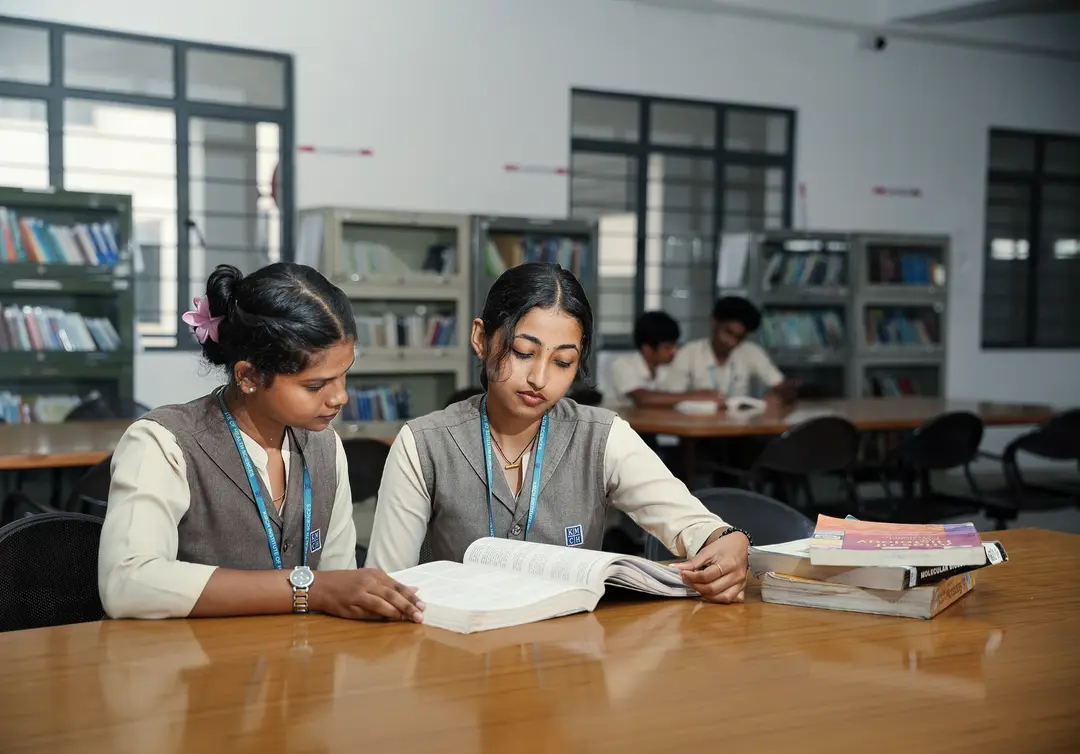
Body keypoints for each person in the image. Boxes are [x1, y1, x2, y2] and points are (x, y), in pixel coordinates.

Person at [366, 263, 750, 603]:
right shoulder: (424, 444)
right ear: (481, 339)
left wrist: (728, 539)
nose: (539, 378)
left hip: (570, 661)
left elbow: (696, 526)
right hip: (455, 658)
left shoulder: (602, 436)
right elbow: (385, 586)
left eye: (563, 361)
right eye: (522, 351)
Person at [98, 262, 424, 623]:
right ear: (249, 376)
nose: (340, 398)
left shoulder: (325, 449)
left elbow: (339, 583)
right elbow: (127, 582)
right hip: (193, 668)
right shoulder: (164, 443)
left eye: (344, 376)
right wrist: (308, 588)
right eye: (316, 385)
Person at [664, 296, 798, 407]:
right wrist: (696, 397)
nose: (732, 342)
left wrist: (780, 395)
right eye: (728, 333)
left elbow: (783, 386)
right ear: (714, 323)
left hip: (739, 430)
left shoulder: (750, 351)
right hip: (697, 431)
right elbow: (669, 398)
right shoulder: (689, 353)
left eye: (740, 338)